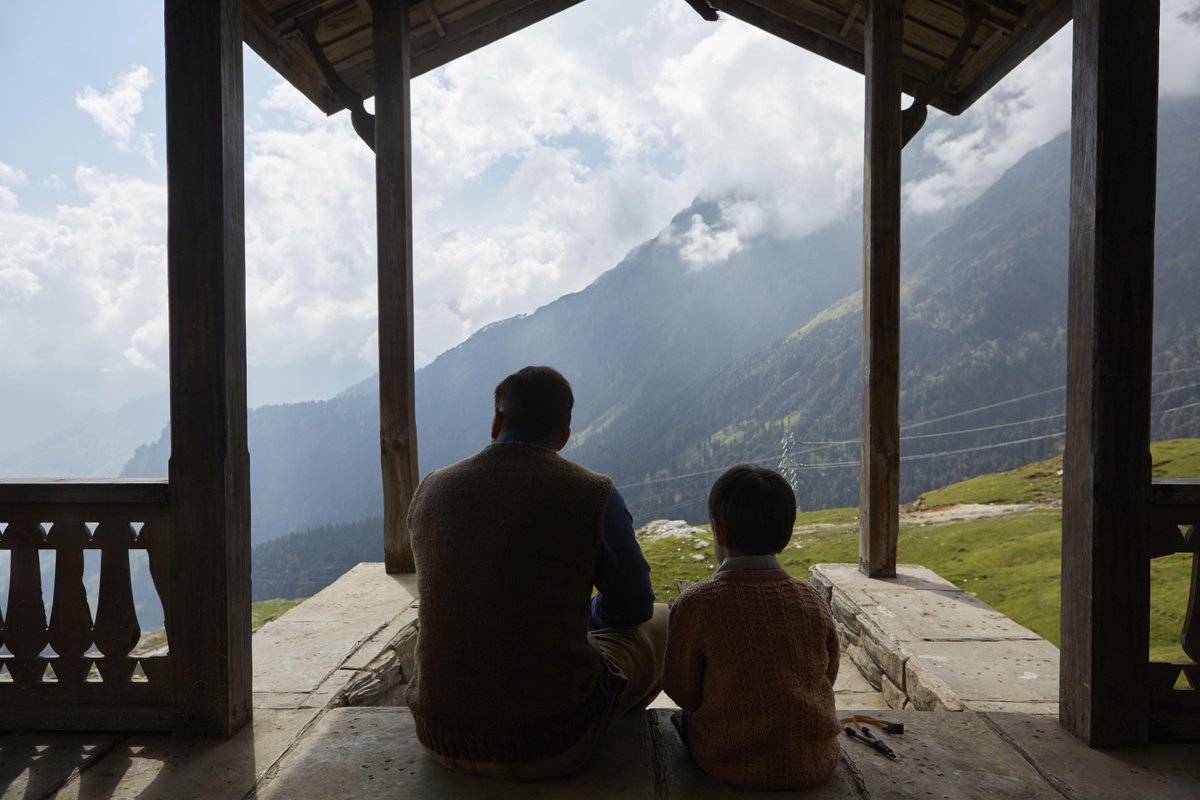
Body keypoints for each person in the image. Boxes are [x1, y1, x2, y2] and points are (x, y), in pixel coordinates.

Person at [405, 365, 669, 780]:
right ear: (564, 434)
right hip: (551, 743)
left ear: (497, 421)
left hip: (438, 736)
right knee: (661, 619)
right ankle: (607, 720)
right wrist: (586, 618)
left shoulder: (432, 490)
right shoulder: (591, 492)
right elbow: (634, 604)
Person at [662, 465, 841, 790]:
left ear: (719, 531)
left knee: (681, 722)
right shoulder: (812, 599)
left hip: (727, 761)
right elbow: (827, 676)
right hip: (814, 760)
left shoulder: (698, 603)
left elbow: (682, 692)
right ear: (786, 535)